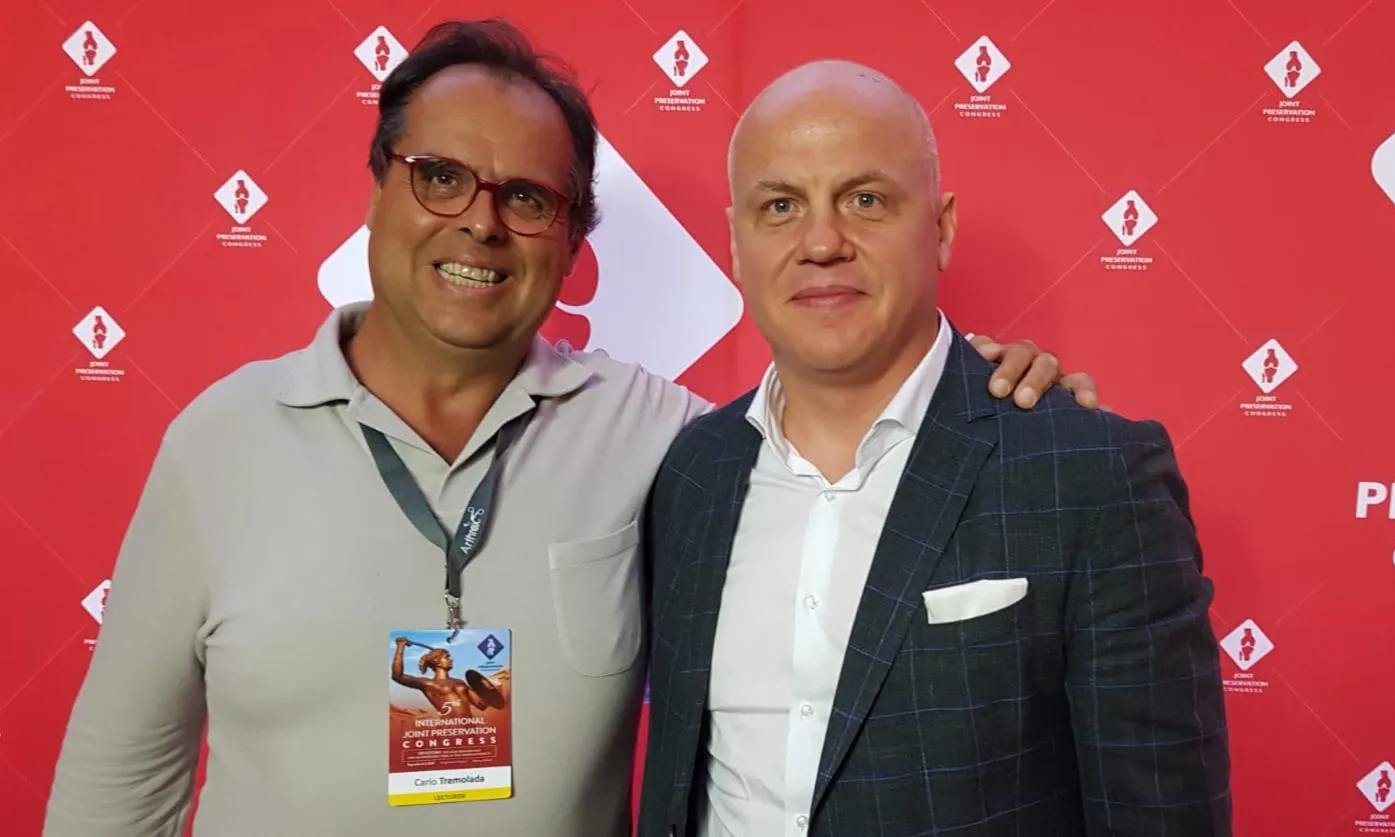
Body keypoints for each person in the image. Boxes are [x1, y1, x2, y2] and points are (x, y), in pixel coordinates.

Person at [42, 19, 1099, 837]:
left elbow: (842, 441)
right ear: (377, 189)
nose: (479, 222)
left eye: (527, 197)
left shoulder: (665, 439)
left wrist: (989, 396)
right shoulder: (218, 443)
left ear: (572, 238)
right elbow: (118, 785)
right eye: (440, 178)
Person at [637, 60, 1231, 836]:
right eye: (780, 206)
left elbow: (1160, 813)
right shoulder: (690, 472)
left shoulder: (1089, 474)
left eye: (865, 199)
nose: (821, 241)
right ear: (735, 243)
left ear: (941, 228)